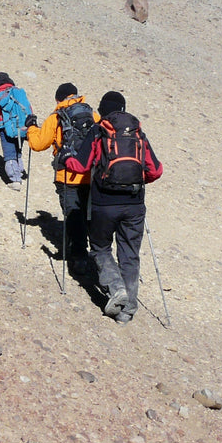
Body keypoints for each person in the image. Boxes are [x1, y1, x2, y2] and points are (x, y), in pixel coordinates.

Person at [65, 91, 163, 324]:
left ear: (103, 109)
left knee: (100, 248)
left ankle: (116, 287)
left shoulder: (99, 131)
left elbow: (80, 165)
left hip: (104, 203)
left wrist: (66, 158)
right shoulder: (137, 133)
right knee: (130, 254)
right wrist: (137, 183)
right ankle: (127, 311)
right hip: (135, 204)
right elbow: (156, 170)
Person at [25, 83, 98, 274]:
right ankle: (100, 256)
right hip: (91, 175)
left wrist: (31, 127)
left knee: (73, 216)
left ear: (58, 99)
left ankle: (79, 257)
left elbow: (38, 144)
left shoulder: (56, 117)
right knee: (89, 215)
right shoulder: (93, 114)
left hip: (67, 175)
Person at [0, 72, 32, 190]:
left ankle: (15, 180)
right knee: (18, 151)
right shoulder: (17, 92)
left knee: (9, 154)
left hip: (5, 128)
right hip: (21, 127)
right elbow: (28, 108)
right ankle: (20, 171)